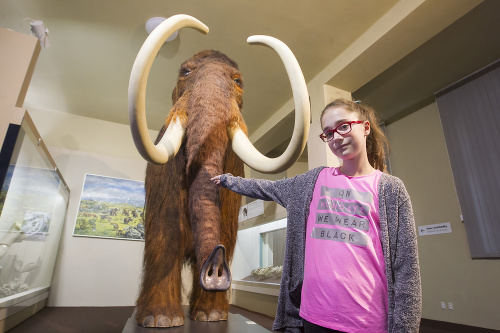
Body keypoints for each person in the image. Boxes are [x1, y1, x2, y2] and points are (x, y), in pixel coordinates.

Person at [211, 98, 421, 333]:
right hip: (312, 319)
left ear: (365, 127)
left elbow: (406, 270)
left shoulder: (391, 190)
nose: (336, 137)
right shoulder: (311, 182)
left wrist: (405, 328)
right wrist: (229, 180)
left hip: (367, 324)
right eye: (328, 133)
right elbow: (267, 188)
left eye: (343, 126)